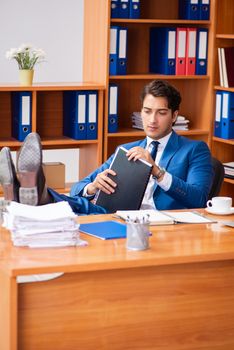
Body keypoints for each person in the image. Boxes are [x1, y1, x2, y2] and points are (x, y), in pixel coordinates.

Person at [0, 80, 213, 214]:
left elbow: (199, 198)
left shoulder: (195, 150)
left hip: (160, 221)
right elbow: (79, 187)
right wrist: (92, 187)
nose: (152, 119)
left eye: (162, 113)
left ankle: (33, 194)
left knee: (76, 208)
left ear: (174, 116)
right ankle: (29, 193)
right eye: (147, 111)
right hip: (117, 215)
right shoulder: (127, 149)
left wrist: (157, 171)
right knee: (78, 203)